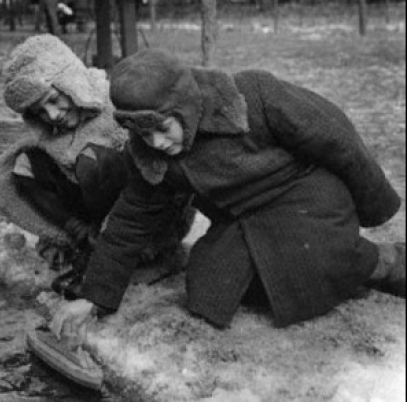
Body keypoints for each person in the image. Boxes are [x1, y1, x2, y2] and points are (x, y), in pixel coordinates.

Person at [51, 48, 405, 340]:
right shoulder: (152, 157)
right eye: (143, 135)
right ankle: (339, 267)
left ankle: (383, 262)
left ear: (183, 105)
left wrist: (374, 207)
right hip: (244, 220)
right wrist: (94, 297)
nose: (157, 142)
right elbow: (130, 220)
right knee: (209, 289)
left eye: (161, 128)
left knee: (305, 263)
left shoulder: (252, 96)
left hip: (307, 197)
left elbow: (336, 138)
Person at [0, 35, 194, 297]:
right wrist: (75, 227)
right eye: (40, 111)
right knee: (26, 165)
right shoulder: (52, 134)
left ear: (71, 83)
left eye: (55, 100)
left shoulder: (117, 105)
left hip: (141, 214)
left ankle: (129, 255)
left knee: (92, 161)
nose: (53, 115)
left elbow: (160, 170)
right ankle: (80, 239)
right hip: (93, 216)